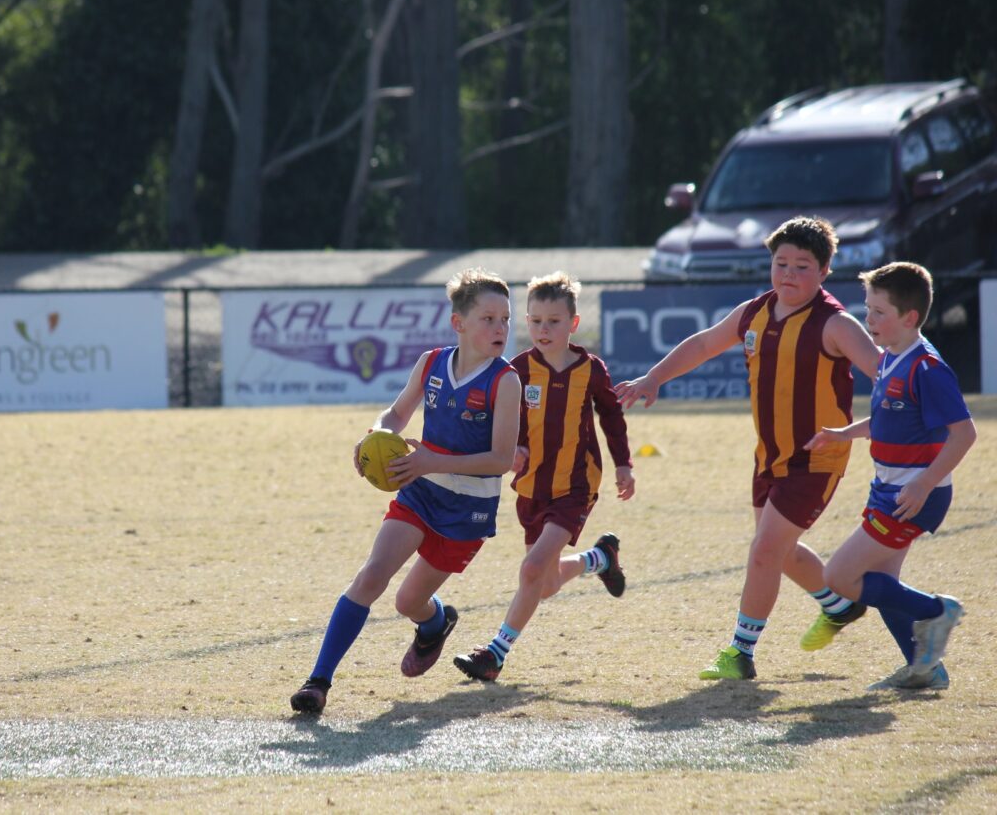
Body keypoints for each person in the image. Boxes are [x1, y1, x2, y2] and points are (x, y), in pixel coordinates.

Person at [615, 217, 881, 680]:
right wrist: (654, 377)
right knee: (780, 551)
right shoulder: (755, 312)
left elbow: (889, 377)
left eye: (802, 266)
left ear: (824, 272)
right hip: (770, 457)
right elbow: (704, 343)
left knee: (764, 551)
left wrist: (873, 426)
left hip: (817, 458)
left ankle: (740, 652)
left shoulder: (836, 324)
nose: (789, 274)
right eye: (781, 263)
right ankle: (839, 606)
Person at [289, 268, 521, 714]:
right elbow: (395, 415)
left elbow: (500, 459)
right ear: (459, 323)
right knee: (371, 576)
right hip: (420, 491)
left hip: (468, 512)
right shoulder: (431, 363)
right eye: (489, 319)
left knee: (407, 601)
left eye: (506, 319)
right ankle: (317, 682)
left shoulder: (505, 381)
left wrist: (433, 460)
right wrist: (374, 436)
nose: (500, 328)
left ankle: (435, 623)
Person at [454, 271, 634, 682]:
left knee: (532, 569)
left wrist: (624, 463)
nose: (543, 330)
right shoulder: (517, 369)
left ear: (573, 323)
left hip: (575, 487)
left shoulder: (591, 370)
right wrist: (514, 447)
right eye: (535, 321)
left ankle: (494, 654)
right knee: (546, 582)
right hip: (532, 488)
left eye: (553, 321)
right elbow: (506, 418)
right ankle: (600, 559)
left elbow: (611, 416)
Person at [805, 262, 975, 691]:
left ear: (910, 317)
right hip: (889, 489)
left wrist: (923, 483)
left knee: (839, 578)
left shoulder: (927, 368)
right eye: (868, 309)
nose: (869, 319)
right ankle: (925, 669)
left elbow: (964, 434)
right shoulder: (888, 359)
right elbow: (886, 418)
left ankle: (937, 611)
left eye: (879, 312)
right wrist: (844, 433)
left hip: (912, 495)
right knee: (882, 584)